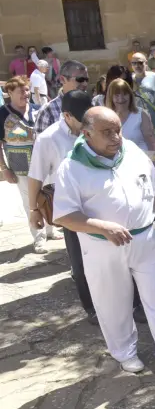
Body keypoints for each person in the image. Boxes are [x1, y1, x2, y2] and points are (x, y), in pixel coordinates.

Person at [53, 107, 155, 375]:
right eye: (106, 132)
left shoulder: (132, 151)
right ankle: (125, 352)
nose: (115, 137)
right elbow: (64, 215)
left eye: (117, 129)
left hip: (146, 239)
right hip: (103, 247)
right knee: (113, 303)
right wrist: (101, 226)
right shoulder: (71, 167)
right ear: (86, 134)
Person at [27, 90, 97, 321]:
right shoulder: (48, 139)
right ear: (66, 115)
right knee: (80, 264)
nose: (86, 124)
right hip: (71, 211)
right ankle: (92, 309)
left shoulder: (92, 128)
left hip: (99, 202)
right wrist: (33, 211)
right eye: (81, 120)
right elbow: (35, 176)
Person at [1, 76, 50, 252]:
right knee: (30, 201)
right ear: (9, 93)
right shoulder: (2, 114)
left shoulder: (38, 110)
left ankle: (51, 229)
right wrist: (4, 168)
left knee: (48, 197)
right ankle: (39, 237)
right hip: (20, 166)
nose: (26, 93)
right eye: (21, 91)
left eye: (27, 90)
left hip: (44, 163)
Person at [35, 59, 89, 134]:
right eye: (80, 79)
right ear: (62, 79)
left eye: (87, 80)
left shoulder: (94, 106)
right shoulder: (48, 111)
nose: (85, 84)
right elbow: (41, 144)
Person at [107, 78, 155, 155]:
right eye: (117, 95)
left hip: (142, 162)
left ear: (130, 95)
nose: (121, 99)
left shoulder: (141, 115)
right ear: (111, 97)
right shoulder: (106, 118)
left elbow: (152, 142)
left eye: (125, 94)